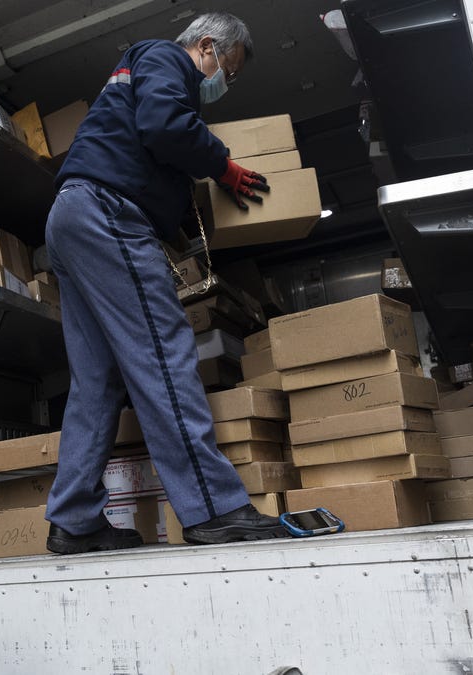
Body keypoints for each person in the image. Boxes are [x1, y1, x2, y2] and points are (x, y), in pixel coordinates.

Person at [44, 12, 288, 554]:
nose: (226, 81)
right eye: (229, 69)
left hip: (74, 215)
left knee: (97, 381)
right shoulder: (164, 56)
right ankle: (213, 508)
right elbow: (164, 126)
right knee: (164, 354)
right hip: (106, 212)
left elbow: (151, 145)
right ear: (205, 47)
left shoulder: (142, 73)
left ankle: (74, 519)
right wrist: (222, 166)